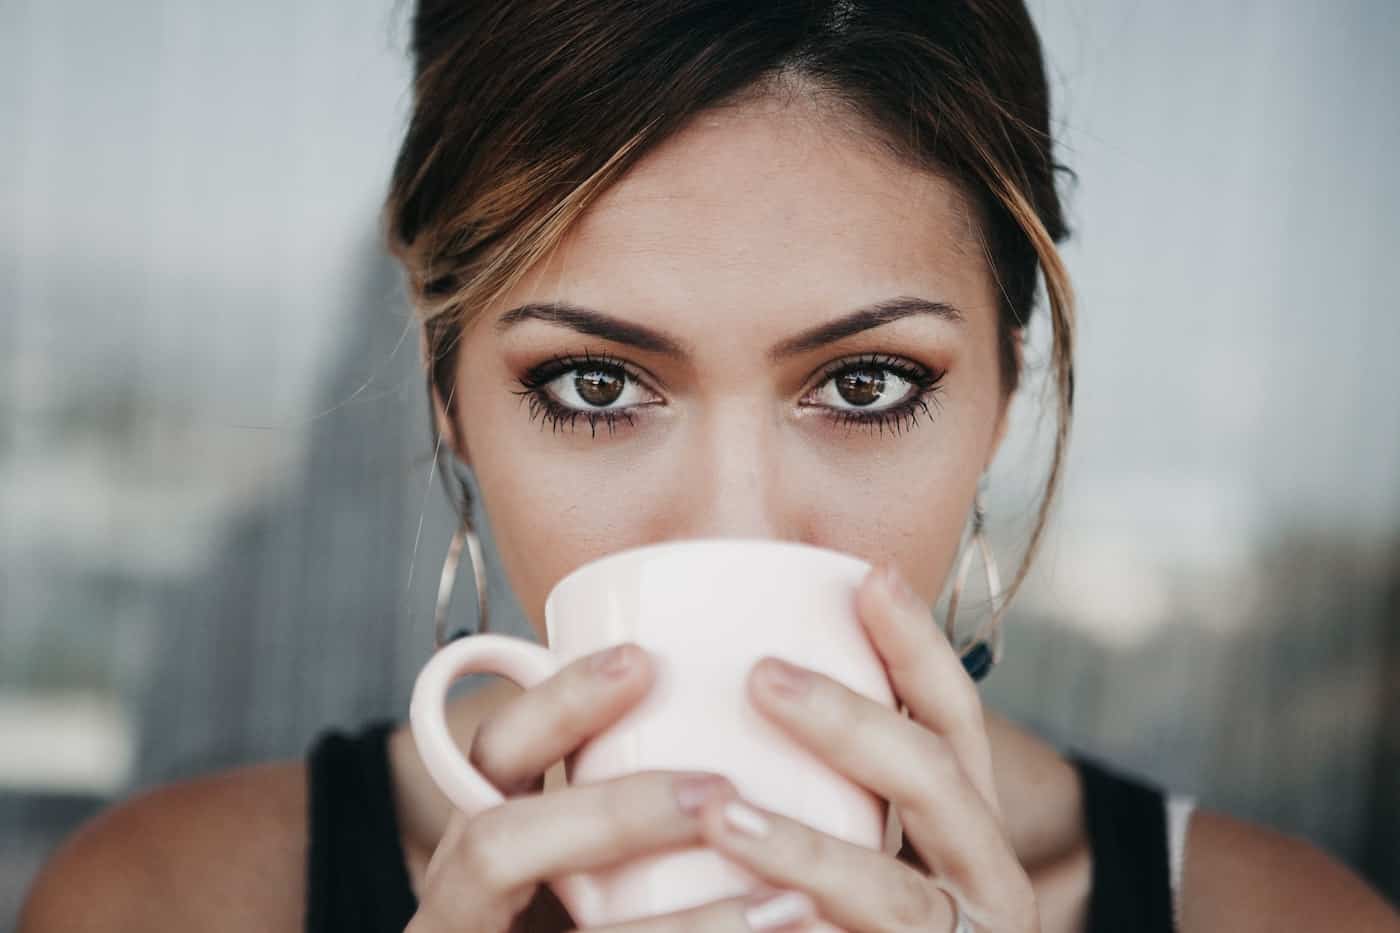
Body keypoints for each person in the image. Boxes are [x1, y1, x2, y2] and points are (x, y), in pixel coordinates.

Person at [19, 2, 1400, 932]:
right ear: (447, 398)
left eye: (865, 386)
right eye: (596, 384)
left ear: (1002, 397)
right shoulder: (165, 899)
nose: (734, 522)